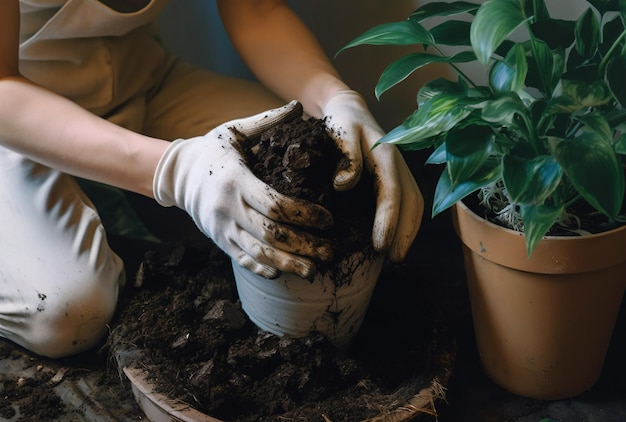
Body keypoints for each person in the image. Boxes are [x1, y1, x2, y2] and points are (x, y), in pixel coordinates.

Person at [0, 0, 424, 359]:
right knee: (67, 315)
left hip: (141, 79)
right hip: (17, 119)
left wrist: (335, 99)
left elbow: (255, 10)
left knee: (310, 168)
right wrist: (177, 170)